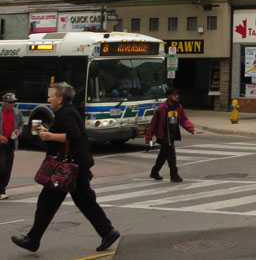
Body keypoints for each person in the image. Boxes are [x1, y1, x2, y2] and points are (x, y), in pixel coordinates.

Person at [11, 82, 120, 253]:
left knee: (47, 203)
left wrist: (50, 135)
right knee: (83, 201)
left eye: (52, 96)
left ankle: (33, 240)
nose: (49, 99)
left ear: (60, 99)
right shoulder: (67, 112)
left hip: (67, 169)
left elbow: (73, 135)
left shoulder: (65, 113)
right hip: (76, 166)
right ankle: (107, 231)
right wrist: (50, 133)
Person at [145, 88, 195, 183]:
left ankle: (154, 172)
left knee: (163, 155)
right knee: (171, 156)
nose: (177, 97)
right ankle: (174, 175)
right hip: (164, 135)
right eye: (174, 95)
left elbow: (184, 119)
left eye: (177, 95)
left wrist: (190, 128)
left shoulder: (178, 107)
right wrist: (149, 137)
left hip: (172, 135)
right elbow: (153, 124)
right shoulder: (162, 109)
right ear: (169, 96)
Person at [0, 92, 24, 200]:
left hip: (11, 142)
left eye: (13, 102)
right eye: (10, 102)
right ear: (4, 102)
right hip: (1, 142)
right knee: (2, 166)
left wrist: (19, 131)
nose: (12, 104)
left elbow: (21, 124)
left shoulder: (17, 113)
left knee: (8, 167)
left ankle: (2, 189)